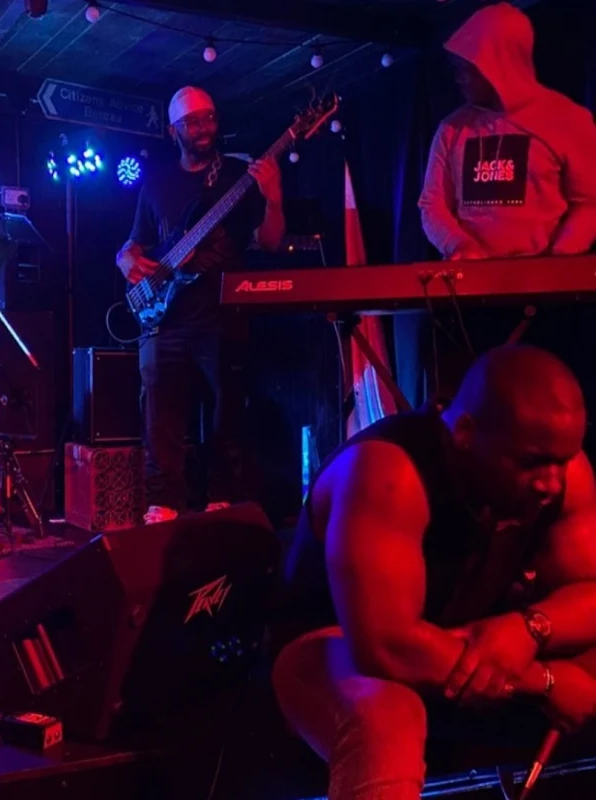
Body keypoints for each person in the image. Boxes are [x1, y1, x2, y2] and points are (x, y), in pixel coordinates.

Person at [274, 345, 596, 800]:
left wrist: (528, 628)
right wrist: (543, 681)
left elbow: (589, 592)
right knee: (387, 714)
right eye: (531, 464)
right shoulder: (387, 472)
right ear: (464, 434)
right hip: (331, 645)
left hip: (466, 640)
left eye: (562, 460)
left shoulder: (561, 472)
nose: (552, 482)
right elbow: (386, 647)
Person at [116, 86, 285, 525]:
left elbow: (270, 241)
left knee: (227, 412)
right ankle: (163, 503)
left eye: (209, 118)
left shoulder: (238, 176)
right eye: (193, 122)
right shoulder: (156, 183)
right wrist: (126, 259)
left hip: (222, 314)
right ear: (174, 130)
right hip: (165, 317)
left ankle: (221, 498)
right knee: (161, 416)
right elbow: (133, 245)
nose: (204, 127)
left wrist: (273, 196)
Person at [419, 2, 596, 260]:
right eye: (457, 68)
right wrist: (459, 245)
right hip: (471, 275)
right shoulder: (451, 128)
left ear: (500, 63)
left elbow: (590, 203)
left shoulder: (568, 120)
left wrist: (559, 257)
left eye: (469, 68)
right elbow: (432, 204)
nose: (459, 77)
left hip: (543, 277)